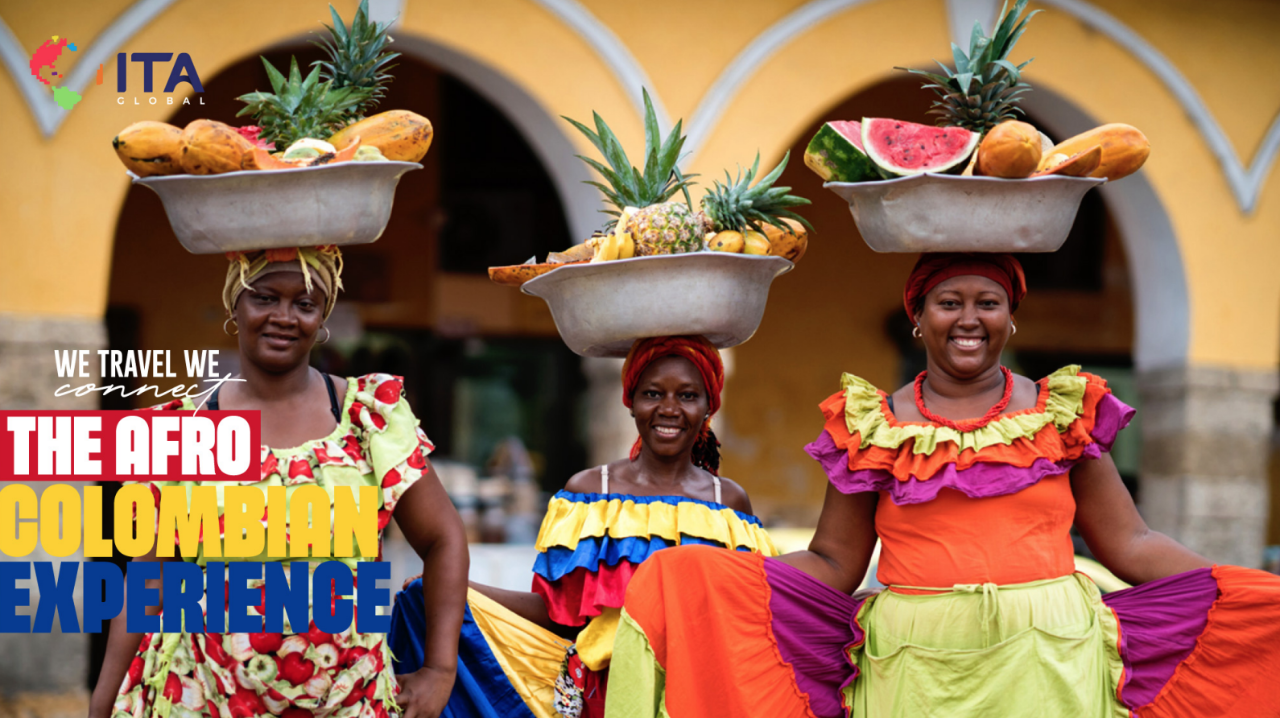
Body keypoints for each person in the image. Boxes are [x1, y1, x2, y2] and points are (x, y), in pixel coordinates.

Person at [604, 253, 1280, 718]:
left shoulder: (1063, 410)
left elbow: (1129, 543)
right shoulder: (870, 425)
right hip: (913, 670)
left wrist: (1233, 596)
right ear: (917, 318)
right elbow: (837, 563)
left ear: (1011, 319)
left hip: (1049, 663)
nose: (968, 318)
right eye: (948, 302)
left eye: (988, 303)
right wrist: (707, 579)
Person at [88, 246, 470, 718]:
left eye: (304, 304)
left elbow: (443, 536)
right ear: (236, 306)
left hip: (347, 700)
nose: (284, 317)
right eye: (265, 298)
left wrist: (439, 669)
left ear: (322, 315)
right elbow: (150, 578)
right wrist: (103, 702)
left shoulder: (365, 419)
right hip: (205, 695)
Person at [389, 335, 777, 718]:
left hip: (699, 697)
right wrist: (454, 590)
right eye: (653, 393)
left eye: (688, 396)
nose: (669, 409)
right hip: (603, 699)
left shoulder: (728, 501)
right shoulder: (589, 493)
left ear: (710, 405)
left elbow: (748, 619)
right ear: (630, 401)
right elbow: (558, 612)